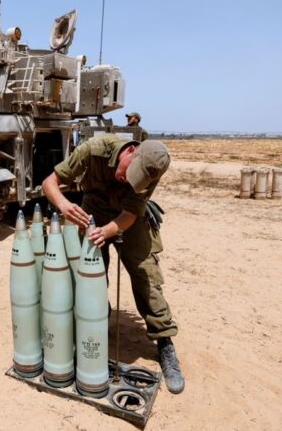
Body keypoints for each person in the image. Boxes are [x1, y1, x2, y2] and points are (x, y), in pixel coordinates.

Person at [41, 134, 185, 394]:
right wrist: (63, 205)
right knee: (89, 273)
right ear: (130, 151)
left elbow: (130, 213)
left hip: (128, 217)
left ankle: (165, 343)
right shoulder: (93, 150)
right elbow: (50, 182)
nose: (128, 180)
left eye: (136, 181)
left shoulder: (153, 168)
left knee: (146, 275)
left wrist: (109, 230)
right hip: (94, 209)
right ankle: (95, 320)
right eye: (129, 173)